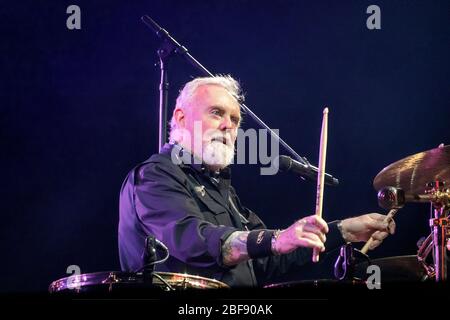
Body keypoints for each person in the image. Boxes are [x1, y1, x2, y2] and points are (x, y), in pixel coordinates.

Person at [118, 75, 395, 287]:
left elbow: (267, 259)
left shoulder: (223, 191)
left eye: (235, 120)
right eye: (216, 112)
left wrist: (345, 230)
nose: (228, 125)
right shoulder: (155, 175)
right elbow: (193, 239)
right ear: (181, 117)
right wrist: (275, 239)